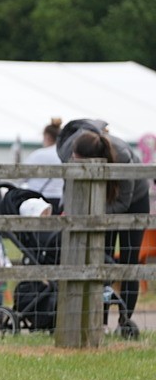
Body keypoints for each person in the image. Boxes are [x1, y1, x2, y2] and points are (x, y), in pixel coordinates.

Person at [57, 120, 149, 333]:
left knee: (128, 261)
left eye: (78, 160)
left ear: (94, 160)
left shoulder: (123, 158)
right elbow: (68, 186)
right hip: (101, 203)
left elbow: (123, 203)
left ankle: (125, 322)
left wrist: (93, 216)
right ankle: (101, 322)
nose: (73, 161)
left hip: (134, 200)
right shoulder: (70, 150)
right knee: (101, 258)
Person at [23, 119, 64, 214]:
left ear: (47, 137)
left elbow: (21, 176)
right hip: (59, 198)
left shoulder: (37, 155)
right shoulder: (64, 155)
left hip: (39, 199)